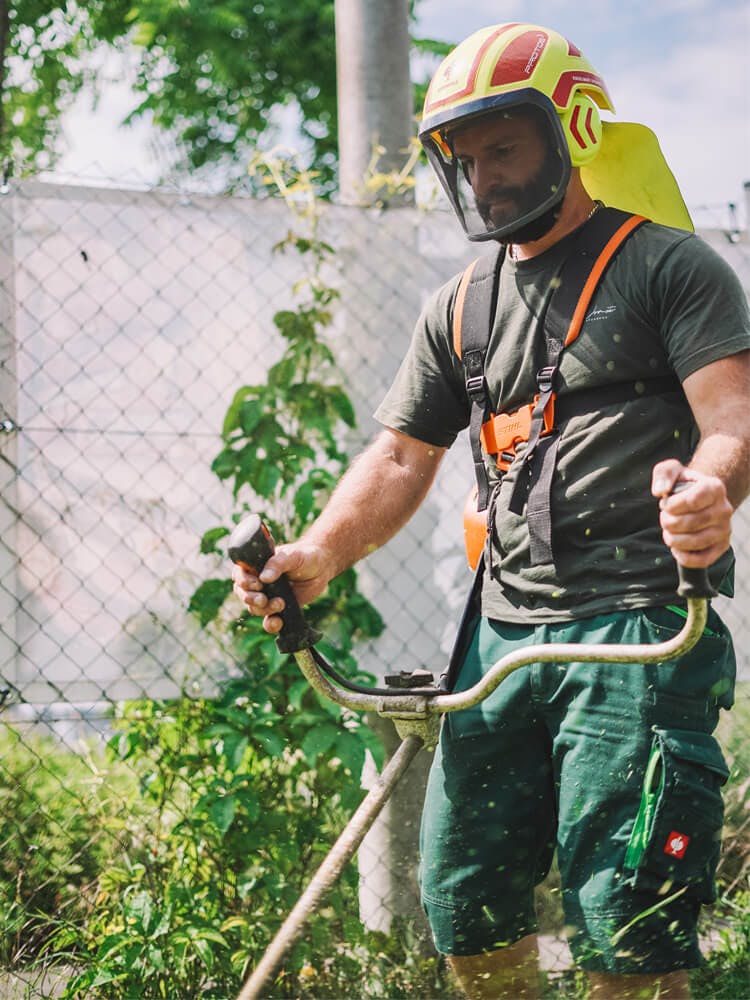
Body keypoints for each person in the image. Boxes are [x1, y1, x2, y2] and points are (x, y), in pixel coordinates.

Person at [233, 23, 750, 1000]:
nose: (484, 179)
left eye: (504, 148)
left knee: (628, 938)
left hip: (635, 635)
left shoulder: (671, 269)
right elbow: (396, 455)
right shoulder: (459, 306)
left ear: (574, 130)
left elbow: (734, 417)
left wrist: (711, 489)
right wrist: (316, 551)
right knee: (467, 916)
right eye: (465, 160)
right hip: (500, 640)